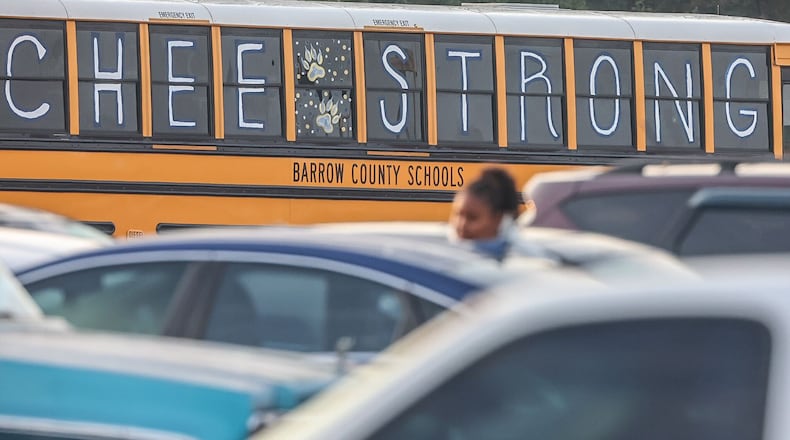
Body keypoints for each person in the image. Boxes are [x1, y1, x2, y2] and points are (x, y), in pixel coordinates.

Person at [448, 167, 520, 259]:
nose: (462, 224)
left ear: (497, 220)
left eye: (472, 218)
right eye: (458, 214)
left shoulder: (516, 258)